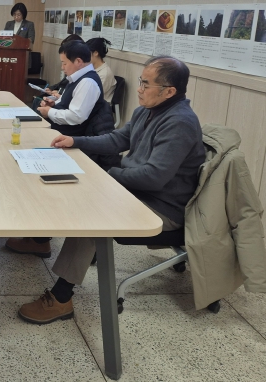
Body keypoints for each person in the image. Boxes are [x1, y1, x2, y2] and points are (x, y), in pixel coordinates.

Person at [17, 56, 205, 325]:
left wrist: (107, 176)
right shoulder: (147, 111)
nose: (139, 89)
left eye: (146, 84)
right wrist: (75, 141)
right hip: (136, 190)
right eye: (140, 81)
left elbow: (154, 177)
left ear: (169, 91)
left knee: (95, 215)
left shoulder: (179, 123)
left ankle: (61, 298)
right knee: (75, 192)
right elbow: (118, 139)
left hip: (161, 206)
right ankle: (40, 240)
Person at [7, 40, 116, 258]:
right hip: (64, 136)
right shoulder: (77, 79)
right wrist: (54, 104)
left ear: (78, 61)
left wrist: (50, 113)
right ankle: (36, 233)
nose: (62, 67)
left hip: (75, 142)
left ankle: (40, 241)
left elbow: (76, 117)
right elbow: (71, 107)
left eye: (65, 63)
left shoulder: (88, 82)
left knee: (34, 169)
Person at [86, 37, 116, 103]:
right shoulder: (91, 69)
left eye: (87, 53)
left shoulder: (105, 73)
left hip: (97, 106)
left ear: (96, 53)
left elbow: (92, 96)